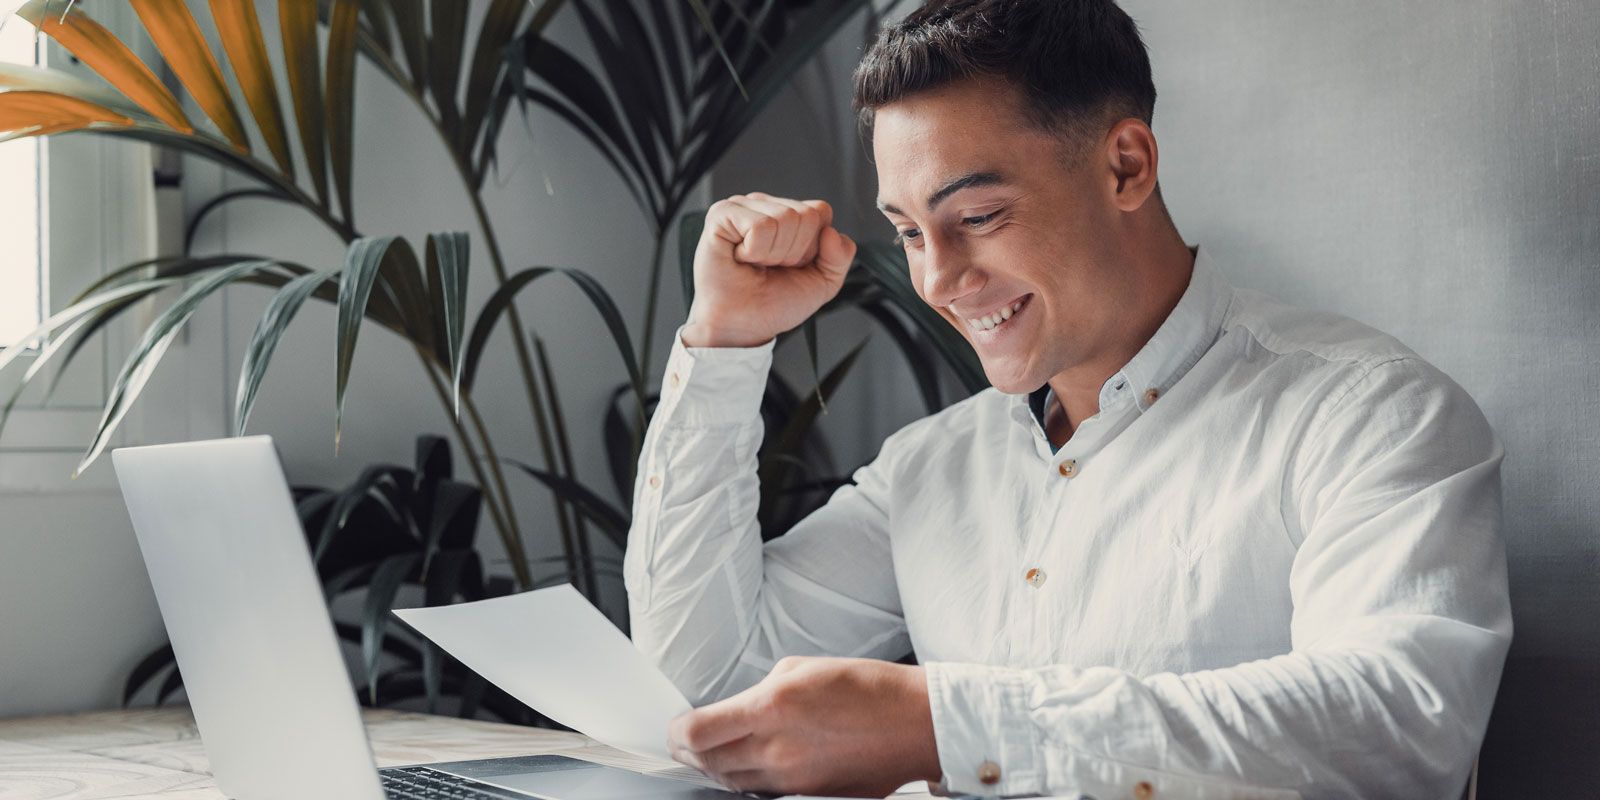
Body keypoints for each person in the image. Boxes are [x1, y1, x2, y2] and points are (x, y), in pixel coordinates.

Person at [623, 1, 1511, 797]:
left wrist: (951, 728)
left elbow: (1405, 726)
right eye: (908, 233)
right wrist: (725, 340)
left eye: (977, 217)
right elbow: (707, 685)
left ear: (1126, 165)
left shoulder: (1368, 415)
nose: (937, 280)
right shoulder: (930, 468)